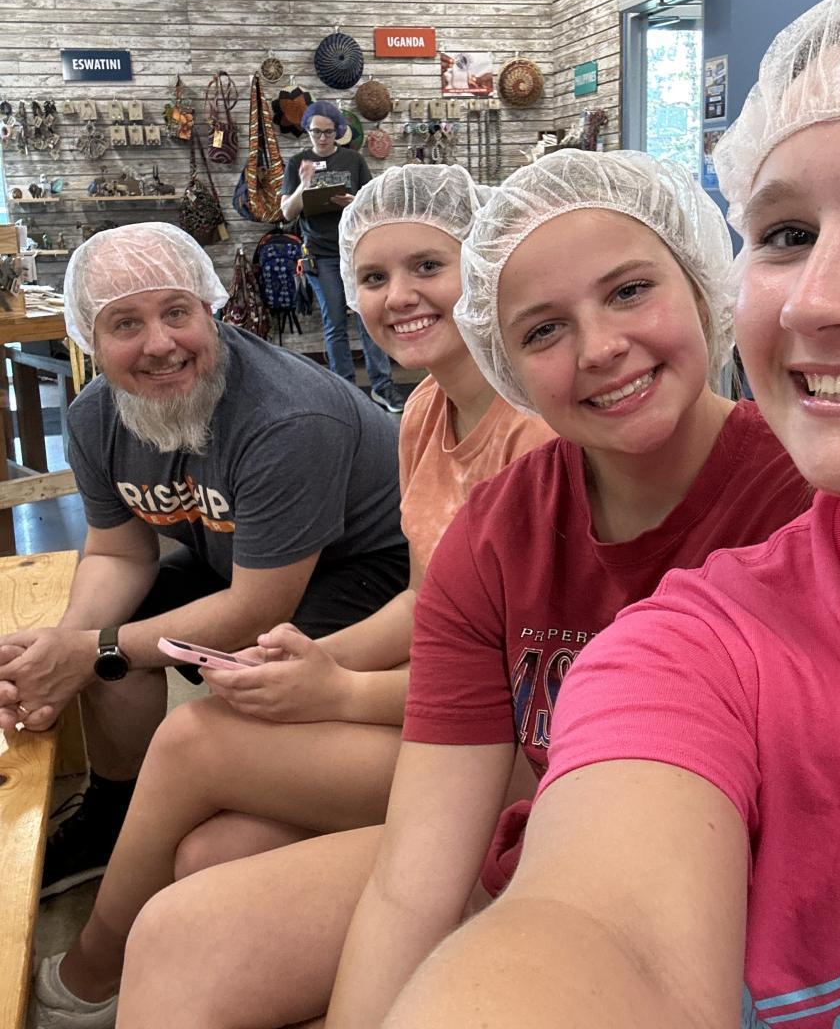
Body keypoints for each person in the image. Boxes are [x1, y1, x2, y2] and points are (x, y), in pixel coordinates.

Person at [378, 0, 840, 1029]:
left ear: (700, 288)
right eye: (786, 234)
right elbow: (601, 936)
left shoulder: (789, 484)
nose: (822, 301)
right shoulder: (699, 636)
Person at [112, 150, 810, 1029]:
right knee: (181, 935)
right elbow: (416, 879)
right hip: (537, 846)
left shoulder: (812, 497)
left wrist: (334, 687)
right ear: (504, 357)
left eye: (630, 291)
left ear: (705, 287)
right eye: (543, 330)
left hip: (751, 907)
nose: (601, 348)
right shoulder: (497, 528)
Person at [26, 165, 553, 1029]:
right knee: (206, 854)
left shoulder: (536, 436)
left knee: (196, 739)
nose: (399, 296)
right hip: (446, 709)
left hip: (514, 755)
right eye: (373, 276)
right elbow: (429, 605)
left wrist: (337, 690)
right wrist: (311, 660)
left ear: (487, 266)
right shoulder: (427, 412)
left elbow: (528, 683)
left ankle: (90, 973)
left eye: (429, 266)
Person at [0, 222, 407, 905]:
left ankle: (238, 808)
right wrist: (64, 651)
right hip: (242, 562)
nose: (160, 344)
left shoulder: (287, 418)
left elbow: (257, 609)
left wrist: (92, 651)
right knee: (106, 640)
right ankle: (115, 813)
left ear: (210, 309)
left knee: (250, 686)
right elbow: (119, 553)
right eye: (125, 323)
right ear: (86, 340)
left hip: (366, 567)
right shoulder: (96, 416)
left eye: (176, 312)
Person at [280, 101, 405, 412]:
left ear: (338, 131)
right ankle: (346, 392)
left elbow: (374, 205)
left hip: (357, 252)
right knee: (334, 322)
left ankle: (383, 387)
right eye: (316, 132)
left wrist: (353, 201)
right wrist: (304, 185)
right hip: (320, 254)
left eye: (328, 132)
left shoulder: (353, 160)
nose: (322, 138)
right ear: (307, 131)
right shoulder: (297, 162)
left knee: (369, 318)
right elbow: (286, 213)